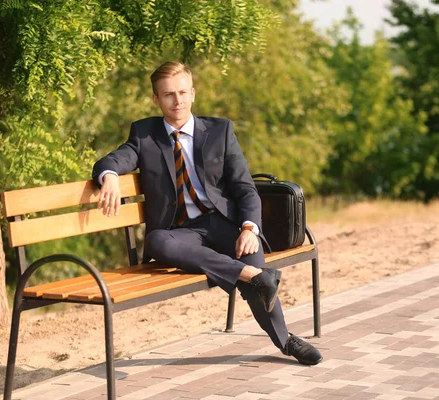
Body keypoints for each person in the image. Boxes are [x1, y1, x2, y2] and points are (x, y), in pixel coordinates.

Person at [93, 61, 321, 365]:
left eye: (183, 92)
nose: (177, 101)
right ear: (156, 99)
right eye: (169, 95)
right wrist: (109, 175)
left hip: (225, 225)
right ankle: (250, 276)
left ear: (193, 93)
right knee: (157, 242)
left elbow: (244, 188)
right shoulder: (144, 134)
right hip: (181, 234)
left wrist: (249, 228)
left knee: (252, 260)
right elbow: (115, 159)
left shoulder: (219, 131)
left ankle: (286, 340)